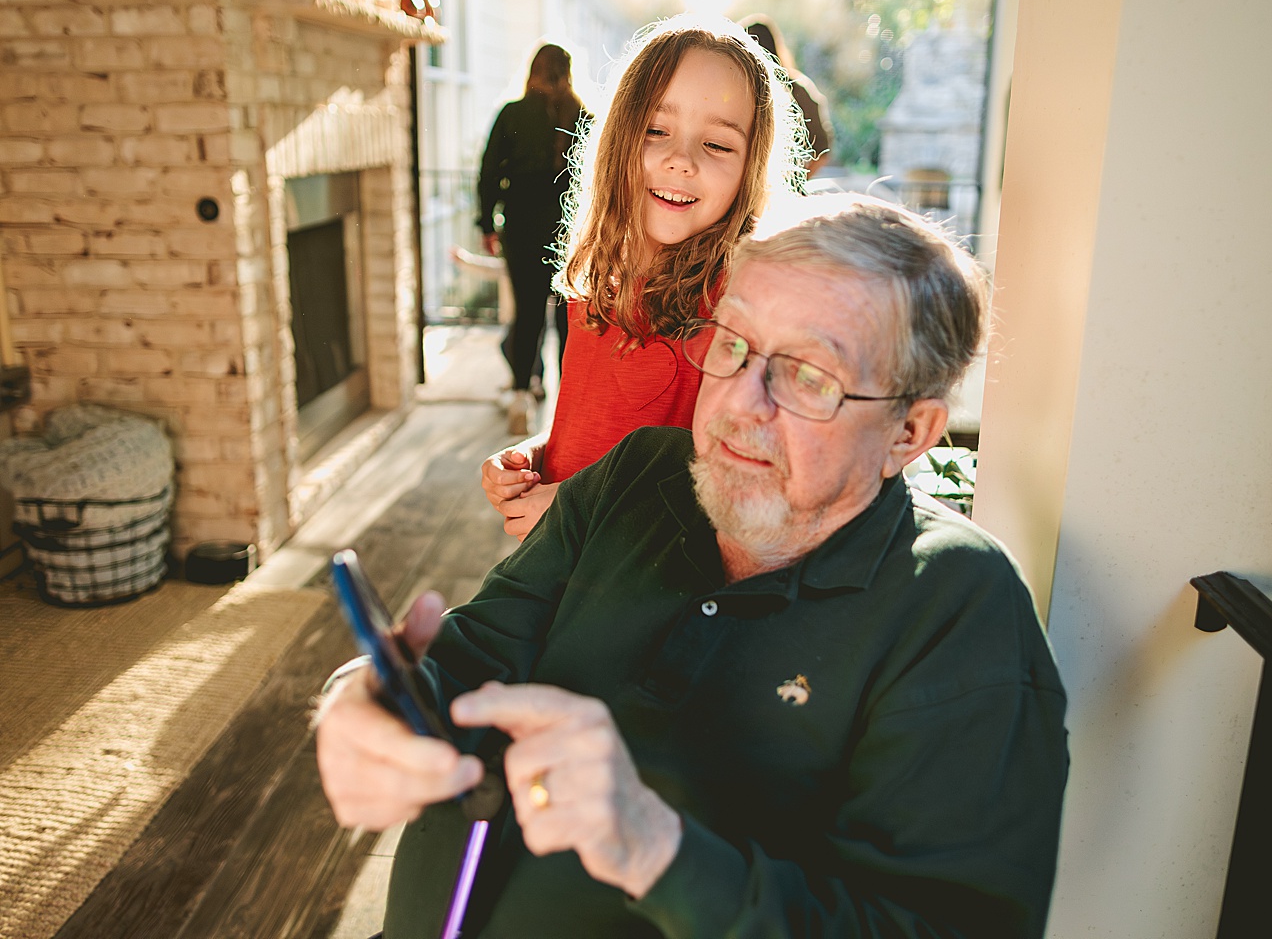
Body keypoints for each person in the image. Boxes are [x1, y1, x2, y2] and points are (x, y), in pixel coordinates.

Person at [315, 195, 1071, 939]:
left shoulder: (958, 610)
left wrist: (654, 847)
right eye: (732, 345)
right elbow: (475, 657)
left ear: (910, 432)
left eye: (809, 376)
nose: (739, 404)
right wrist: (375, 704)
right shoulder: (641, 473)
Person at [480, 15, 807, 539]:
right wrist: (539, 453)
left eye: (718, 145)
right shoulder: (600, 281)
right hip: (557, 572)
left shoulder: (738, 313)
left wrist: (577, 509)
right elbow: (597, 431)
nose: (680, 160)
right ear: (617, 139)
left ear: (751, 166)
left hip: (640, 597)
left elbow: (730, 492)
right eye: (657, 130)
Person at [475, 43, 587, 435]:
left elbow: (489, 171)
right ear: (568, 73)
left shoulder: (512, 114)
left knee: (526, 316)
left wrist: (487, 223)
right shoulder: (583, 117)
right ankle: (568, 408)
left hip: (521, 229)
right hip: (571, 232)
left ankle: (522, 398)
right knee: (568, 319)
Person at [742, 15, 835, 178]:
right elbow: (823, 151)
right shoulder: (799, 88)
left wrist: (794, 184)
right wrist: (797, 183)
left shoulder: (795, 88)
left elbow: (822, 150)